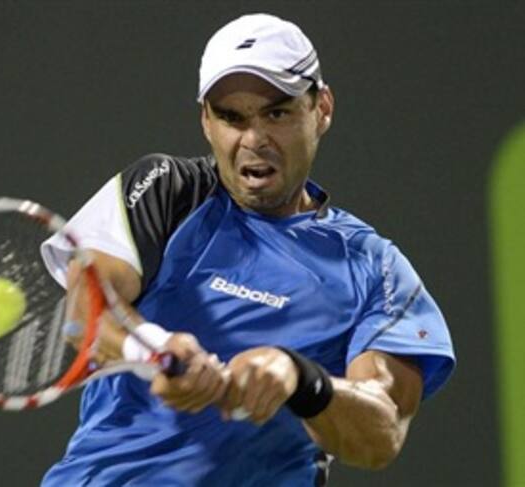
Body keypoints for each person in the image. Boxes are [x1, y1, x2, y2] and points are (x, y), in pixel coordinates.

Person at [40, 13, 455, 486]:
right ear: (206, 121)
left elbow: (382, 433)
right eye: (231, 118)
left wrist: (301, 379)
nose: (254, 140)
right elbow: (84, 312)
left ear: (321, 109)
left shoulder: (375, 268)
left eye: (276, 114)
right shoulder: (168, 190)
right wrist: (153, 348)